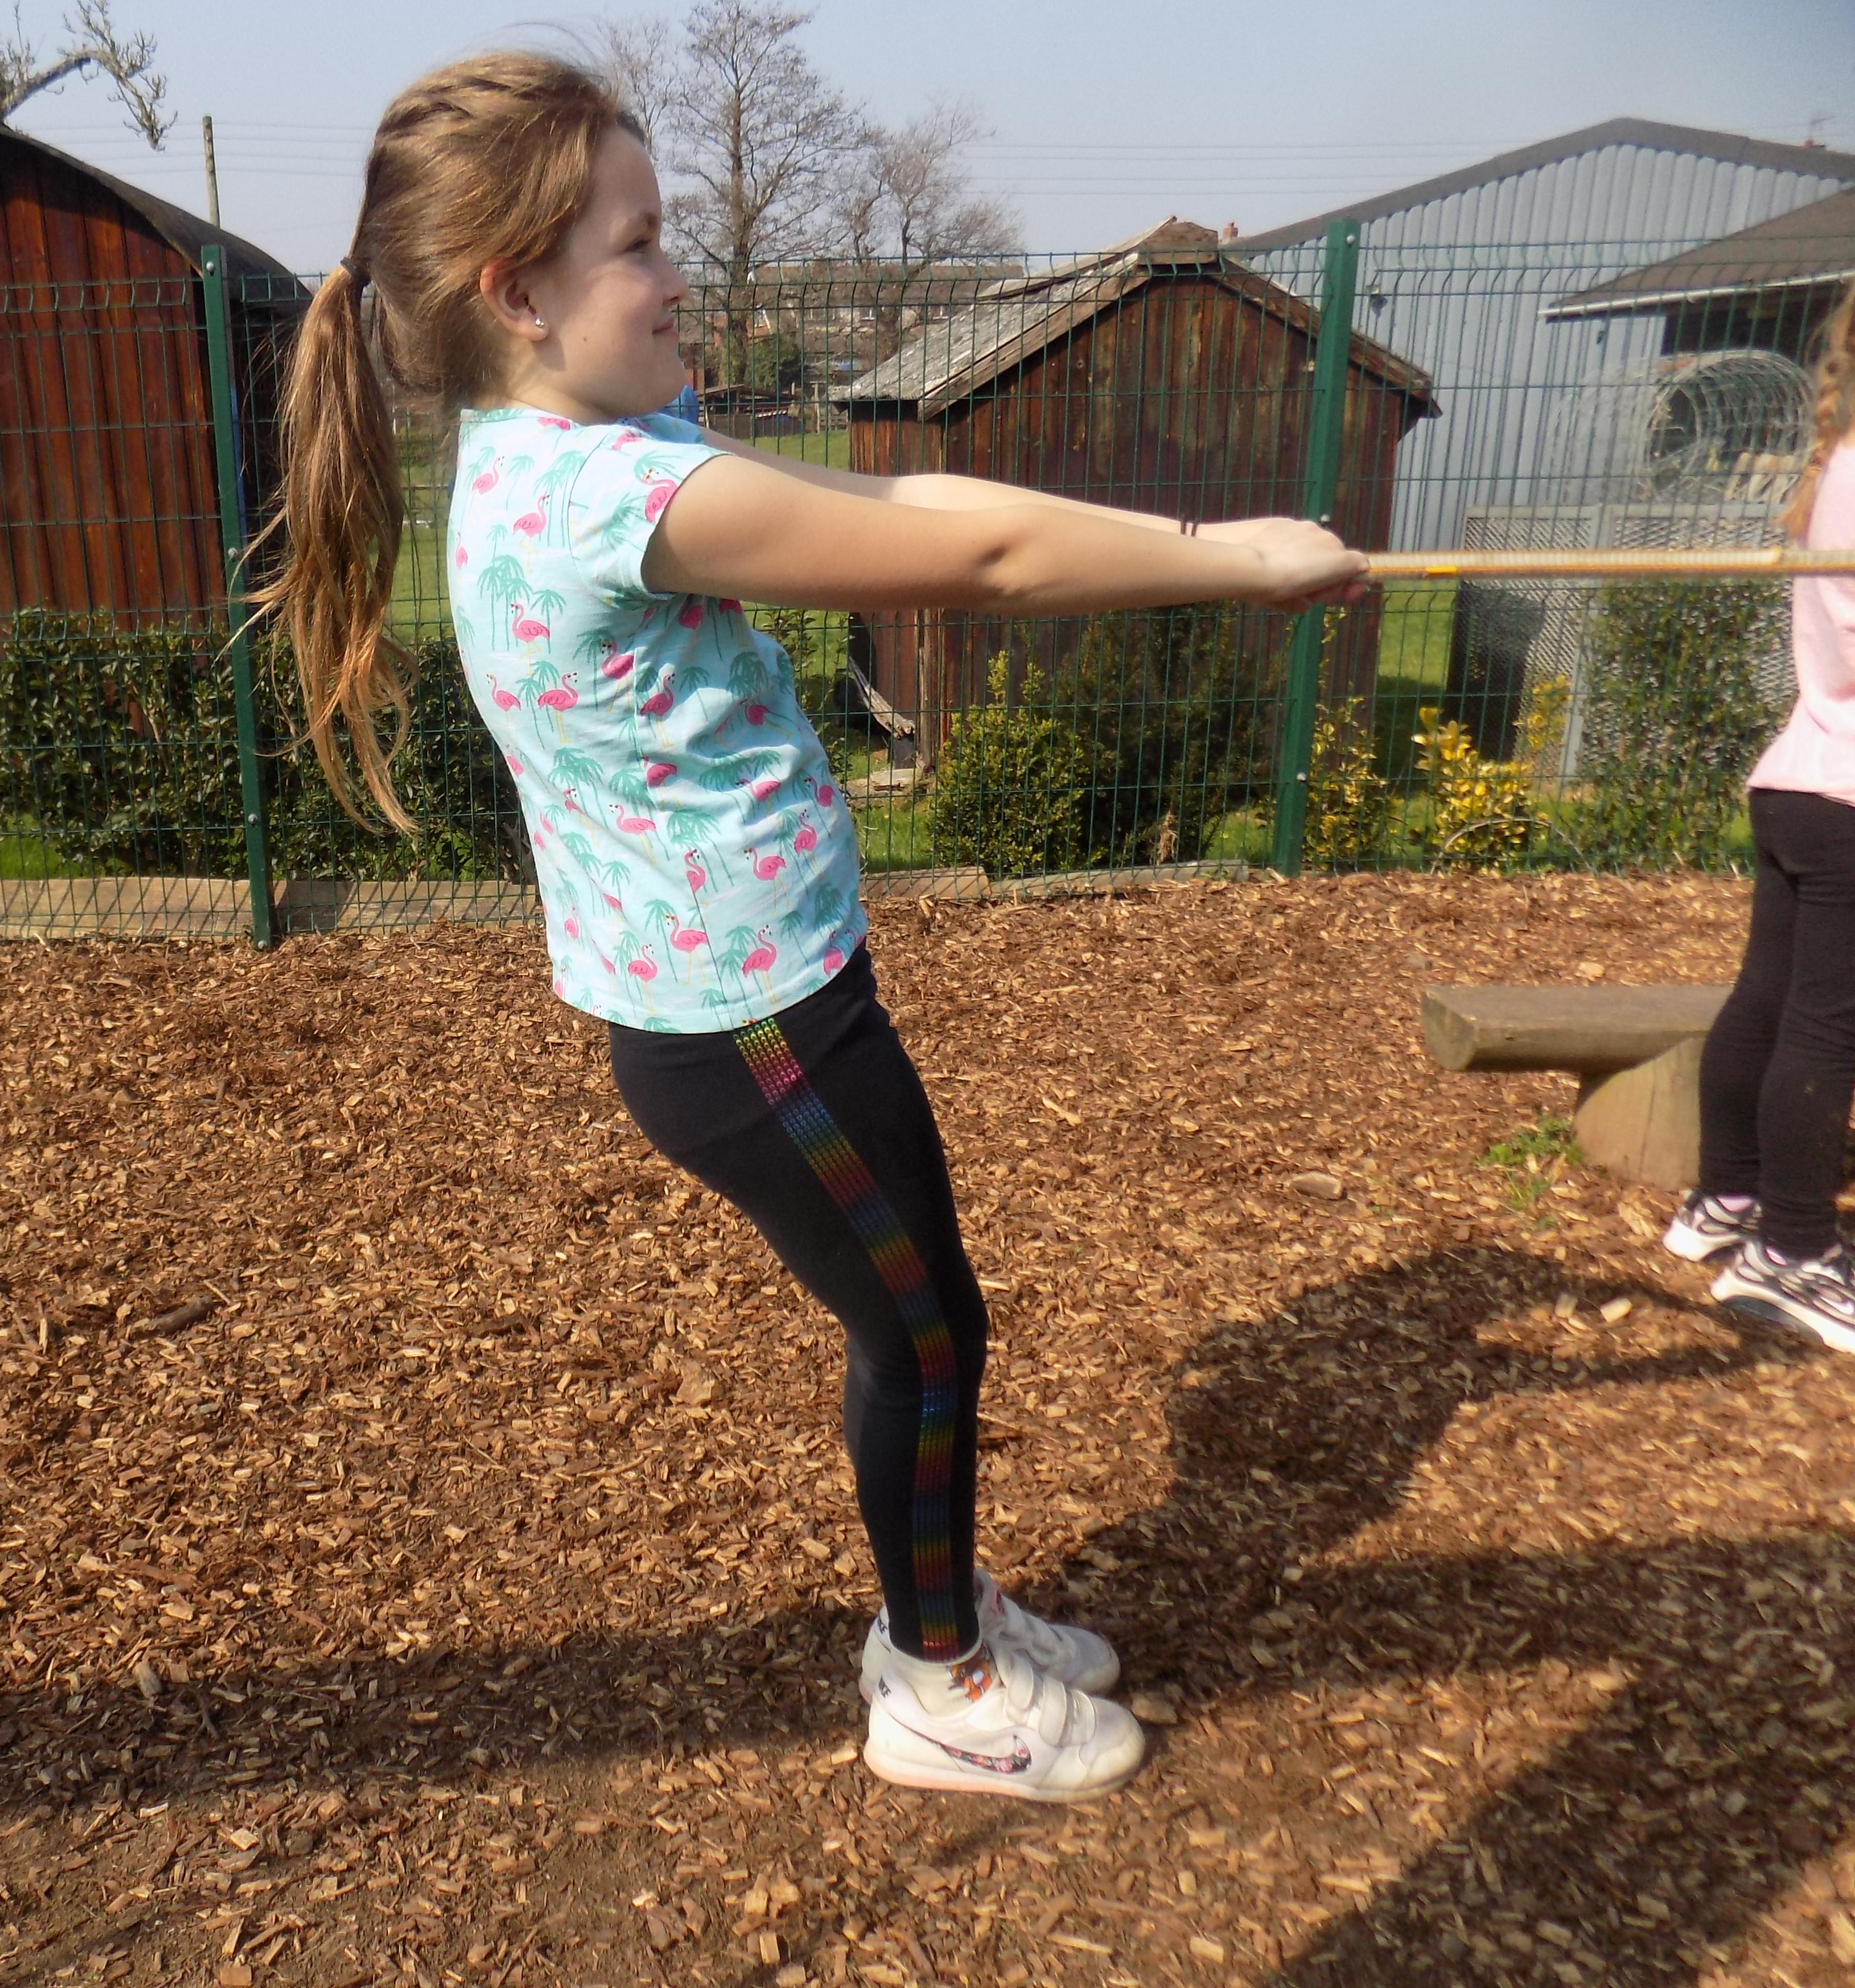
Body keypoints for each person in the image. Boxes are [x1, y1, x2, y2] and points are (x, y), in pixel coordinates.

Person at [263, 52, 1365, 1803]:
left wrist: (1201, 535)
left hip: (755, 1008)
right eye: (639, 241)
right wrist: (1231, 561)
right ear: (520, 293)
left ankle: (943, 1608)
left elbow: (908, 509)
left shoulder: (582, 449)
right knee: (925, 1336)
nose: (677, 273)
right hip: (751, 1033)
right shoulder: (607, 501)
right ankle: (936, 1682)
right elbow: (978, 563)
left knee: (921, 1323)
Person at [1665, 279, 1855, 1355]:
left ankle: (1725, 1201)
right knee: (1826, 1024)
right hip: (1842, 794)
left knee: (1769, 1000)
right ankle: (1790, 1252)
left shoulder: (1835, 464)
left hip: (1800, 774)